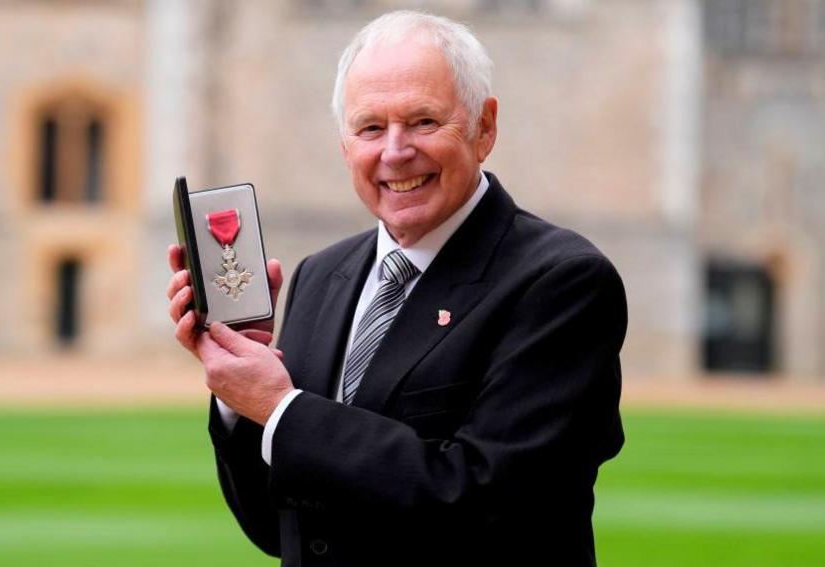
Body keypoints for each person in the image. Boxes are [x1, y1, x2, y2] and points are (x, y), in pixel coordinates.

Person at [166, 10, 626, 567]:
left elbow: (479, 500)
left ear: (485, 127)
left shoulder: (563, 283)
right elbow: (279, 529)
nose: (395, 151)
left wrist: (280, 407)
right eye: (370, 128)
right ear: (344, 145)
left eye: (425, 121)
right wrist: (239, 396)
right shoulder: (319, 275)